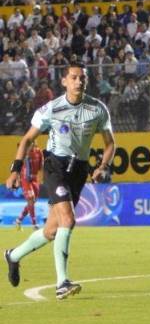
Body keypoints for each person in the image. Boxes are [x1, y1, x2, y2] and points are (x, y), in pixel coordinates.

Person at [4, 62, 115, 300]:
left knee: (52, 230)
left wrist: (102, 167)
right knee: (68, 219)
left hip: (79, 170)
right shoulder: (51, 109)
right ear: (64, 81)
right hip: (55, 166)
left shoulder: (97, 109)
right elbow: (27, 140)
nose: (79, 81)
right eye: (74, 77)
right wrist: (15, 170)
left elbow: (110, 144)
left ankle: (13, 256)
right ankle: (62, 283)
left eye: (82, 78)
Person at [13, 139, 44, 230]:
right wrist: (17, 179)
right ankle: (34, 224)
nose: (32, 143)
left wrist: (42, 177)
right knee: (31, 199)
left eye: (32, 142)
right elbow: (17, 165)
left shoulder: (39, 152)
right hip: (25, 179)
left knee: (32, 202)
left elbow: (41, 166)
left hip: (35, 179)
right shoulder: (24, 153)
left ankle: (18, 220)